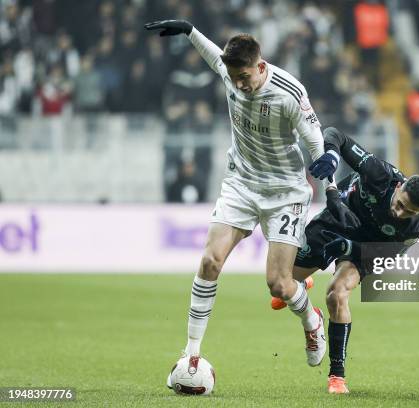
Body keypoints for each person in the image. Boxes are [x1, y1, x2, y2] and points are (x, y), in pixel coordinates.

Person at [144, 20, 351, 380]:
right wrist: (189, 29)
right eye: (233, 76)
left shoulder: (289, 92)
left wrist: (330, 184)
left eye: (244, 76)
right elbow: (211, 54)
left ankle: (310, 319)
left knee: (279, 284)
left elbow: (316, 141)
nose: (239, 84)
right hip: (241, 183)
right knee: (210, 261)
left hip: (285, 192)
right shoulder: (229, 74)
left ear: (260, 66)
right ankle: (192, 352)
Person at [272, 127, 419, 394]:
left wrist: (348, 247)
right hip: (339, 217)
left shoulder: (414, 227)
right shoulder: (379, 173)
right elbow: (336, 135)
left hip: (364, 247)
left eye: (408, 211)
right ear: (399, 186)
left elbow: (385, 257)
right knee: (280, 283)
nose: (399, 211)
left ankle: (337, 376)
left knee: (337, 295)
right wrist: (333, 157)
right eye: (400, 202)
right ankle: (305, 293)